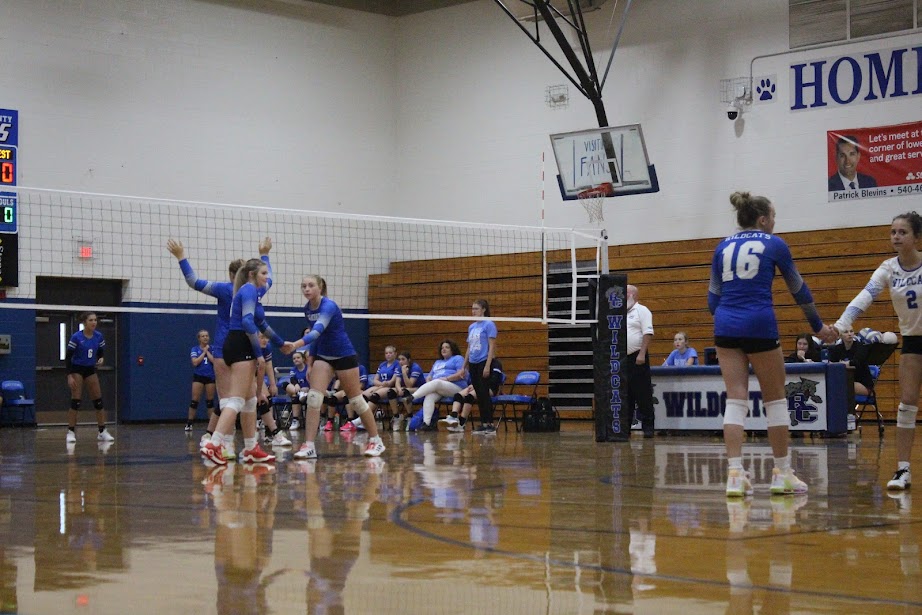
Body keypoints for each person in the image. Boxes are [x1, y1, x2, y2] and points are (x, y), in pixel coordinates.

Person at [709, 191, 836, 497]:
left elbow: (713, 299)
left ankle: (736, 475)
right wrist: (818, 327)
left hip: (725, 324)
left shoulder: (722, 246)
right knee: (775, 399)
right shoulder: (775, 244)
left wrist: (730, 318)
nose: (775, 222)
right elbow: (799, 290)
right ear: (763, 219)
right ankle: (782, 474)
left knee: (735, 399)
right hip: (759, 323)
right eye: (774, 217)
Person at [833, 211, 922, 491]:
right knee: (906, 404)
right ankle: (903, 470)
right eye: (893, 232)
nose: (896, 236)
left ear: (917, 237)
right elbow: (866, 296)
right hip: (912, 342)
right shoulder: (887, 268)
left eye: (903, 232)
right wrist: (842, 324)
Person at [168, 236, 273, 459]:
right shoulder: (254, 290)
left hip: (224, 349)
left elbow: (193, 281)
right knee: (239, 400)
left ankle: (237, 446)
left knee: (236, 400)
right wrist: (264, 253)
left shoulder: (225, 289)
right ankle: (221, 444)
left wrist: (181, 258)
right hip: (241, 347)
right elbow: (269, 278)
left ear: (231, 275)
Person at [283, 275, 386, 459]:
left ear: (320, 288)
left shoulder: (329, 306)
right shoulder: (307, 309)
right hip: (324, 356)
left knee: (356, 400)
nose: (306, 289)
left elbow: (316, 331)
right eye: (303, 286)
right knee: (314, 398)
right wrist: (310, 363)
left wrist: (296, 345)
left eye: (310, 285)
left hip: (344, 355)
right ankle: (309, 446)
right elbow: (317, 339)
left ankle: (376, 440)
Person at [200, 259, 282, 466]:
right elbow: (247, 321)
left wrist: (281, 343)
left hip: (236, 342)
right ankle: (213, 444)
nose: (268, 277)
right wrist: (258, 352)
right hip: (240, 343)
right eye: (264, 273)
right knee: (235, 400)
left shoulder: (252, 291)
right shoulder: (248, 291)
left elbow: (261, 322)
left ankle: (250, 448)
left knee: (250, 401)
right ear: (252, 275)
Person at [64, 312, 114, 444]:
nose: (94, 322)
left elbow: (100, 351)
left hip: (90, 369)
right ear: (85, 322)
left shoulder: (98, 336)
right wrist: (69, 375)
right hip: (77, 369)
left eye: (95, 320)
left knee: (98, 401)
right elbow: (68, 357)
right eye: (91, 320)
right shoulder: (76, 337)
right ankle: (71, 432)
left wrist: (101, 358)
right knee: (76, 401)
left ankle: (102, 431)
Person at [460, 299, 499, 434]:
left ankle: (490, 424)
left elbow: (492, 347)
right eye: (472, 308)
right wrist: (463, 366)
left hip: (483, 361)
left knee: (484, 394)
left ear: (483, 310)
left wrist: (488, 366)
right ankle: (483, 423)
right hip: (473, 363)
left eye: (476, 308)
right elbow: (469, 347)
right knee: (479, 395)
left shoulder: (489, 324)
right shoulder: (471, 327)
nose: (473, 311)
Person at [410, 340, 468, 431]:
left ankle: (413, 397)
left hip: (456, 387)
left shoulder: (458, 358)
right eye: (442, 348)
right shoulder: (437, 362)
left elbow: (460, 374)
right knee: (429, 396)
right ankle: (426, 424)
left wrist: (447, 378)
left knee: (437, 382)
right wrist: (429, 379)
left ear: (452, 349)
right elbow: (429, 376)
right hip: (439, 387)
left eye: (447, 347)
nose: (444, 349)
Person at [442, 357, 504, 433]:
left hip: (490, 388)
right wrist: (474, 385)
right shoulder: (479, 363)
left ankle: (461, 423)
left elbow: (495, 380)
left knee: (470, 396)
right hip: (477, 386)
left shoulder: (495, 363)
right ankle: (454, 416)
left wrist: (477, 385)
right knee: (458, 395)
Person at [625, 285, 656, 437]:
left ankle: (648, 427)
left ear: (632, 295)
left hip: (638, 357)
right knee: (626, 394)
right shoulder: (619, 313)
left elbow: (647, 332)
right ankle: (625, 428)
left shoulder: (642, 310)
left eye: (625, 293)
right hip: (623, 359)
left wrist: (642, 354)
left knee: (643, 394)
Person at [256, 333, 292, 448]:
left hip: (255, 374)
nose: (265, 340)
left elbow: (268, 365)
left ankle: (271, 433)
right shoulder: (249, 346)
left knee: (266, 399)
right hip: (242, 374)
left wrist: (272, 384)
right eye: (262, 337)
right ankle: (215, 435)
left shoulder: (266, 347)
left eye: (266, 337)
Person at [826, 327, 873, 397]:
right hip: (845, 380)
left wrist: (842, 363)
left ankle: (846, 407)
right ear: (840, 335)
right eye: (846, 332)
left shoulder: (860, 347)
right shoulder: (837, 349)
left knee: (842, 386)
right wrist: (844, 364)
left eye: (851, 331)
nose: (849, 334)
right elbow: (831, 364)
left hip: (863, 384)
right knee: (831, 385)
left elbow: (856, 362)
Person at [186, 330, 217, 432]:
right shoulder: (195, 349)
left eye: (207, 336)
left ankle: (211, 425)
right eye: (203, 336)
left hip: (210, 376)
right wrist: (203, 352)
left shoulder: (212, 349)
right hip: (199, 376)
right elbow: (195, 362)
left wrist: (207, 351)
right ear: (199, 338)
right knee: (194, 401)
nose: (205, 338)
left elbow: (215, 362)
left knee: (210, 402)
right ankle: (189, 423)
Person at [362, 345, 400, 423]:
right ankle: (363, 418)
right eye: (386, 353)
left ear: (395, 354)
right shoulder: (382, 364)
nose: (388, 355)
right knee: (363, 396)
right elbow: (375, 380)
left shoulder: (397, 364)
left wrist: (382, 385)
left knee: (374, 395)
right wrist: (381, 384)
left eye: (390, 353)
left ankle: (365, 420)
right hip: (381, 385)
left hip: (391, 387)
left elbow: (392, 381)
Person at [392, 351, 425, 431]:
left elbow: (410, 385)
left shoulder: (415, 368)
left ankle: (410, 416)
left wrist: (404, 373)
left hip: (419, 389)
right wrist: (399, 389)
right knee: (391, 392)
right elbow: (397, 382)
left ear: (409, 360)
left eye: (403, 359)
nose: (401, 362)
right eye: (399, 359)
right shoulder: (399, 367)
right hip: (407, 388)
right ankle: (397, 416)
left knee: (405, 391)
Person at [285, 350, 310, 431]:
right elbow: (292, 379)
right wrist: (296, 385)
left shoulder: (308, 369)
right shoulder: (293, 370)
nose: (296, 359)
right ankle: (295, 420)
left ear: (303, 359)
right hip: (298, 391)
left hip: (308, 390)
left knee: (295, 396)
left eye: (298, 358)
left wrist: (307, 388)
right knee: (287, 386)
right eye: (294, 358)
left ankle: (290, 411)